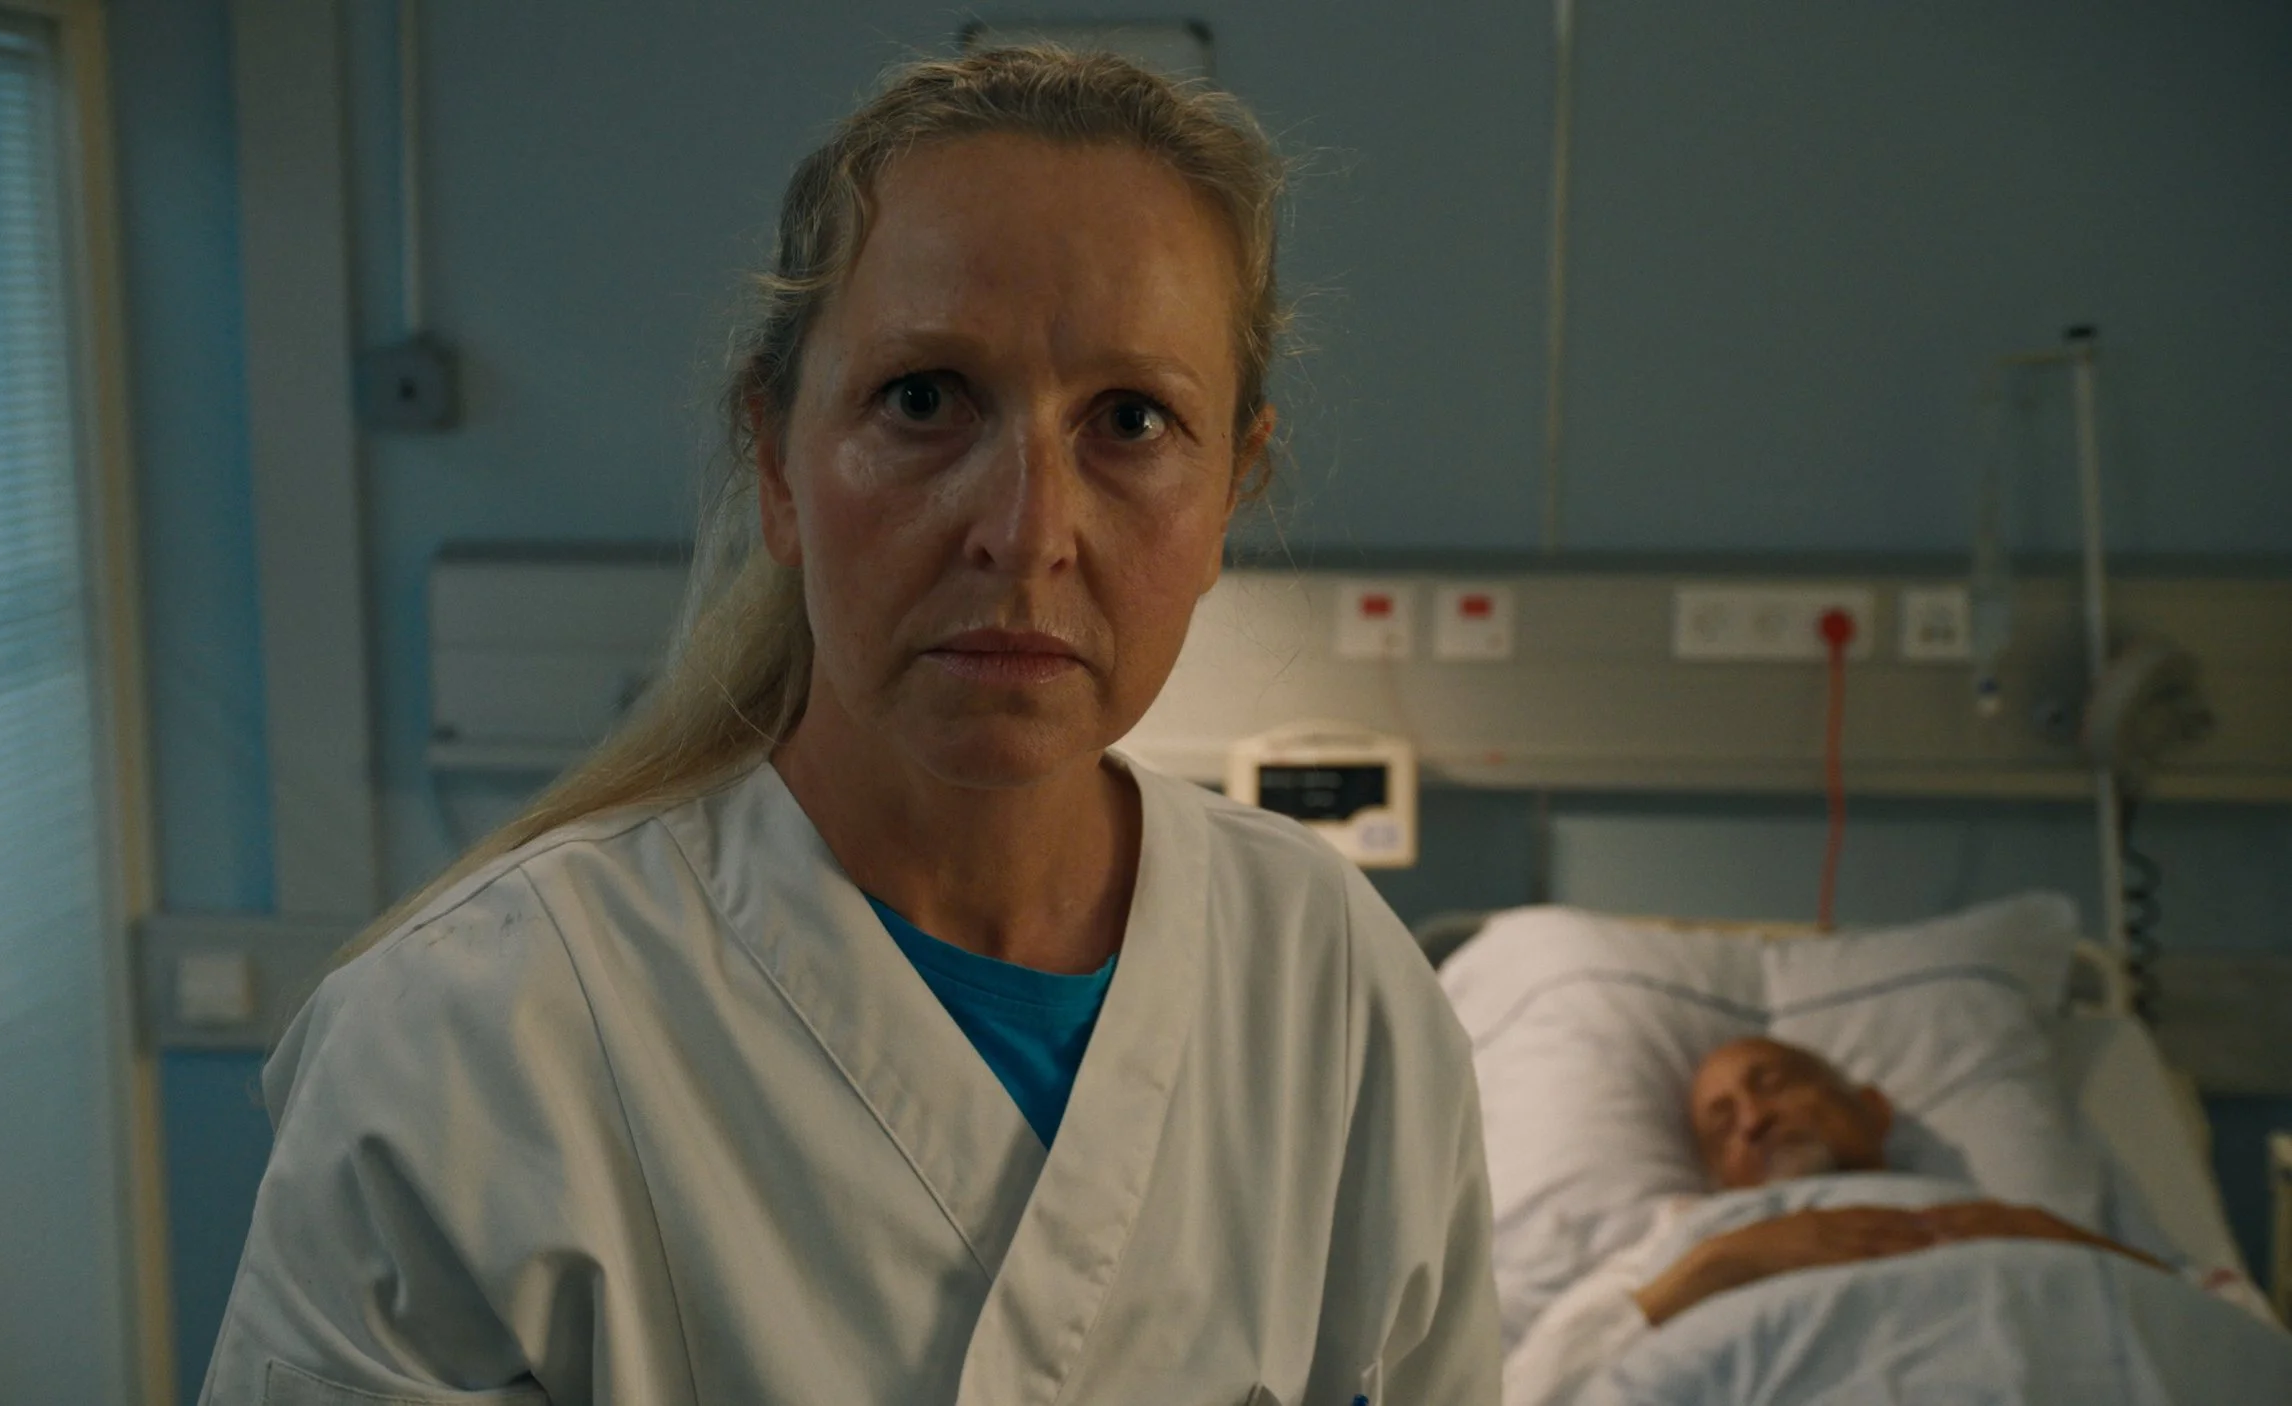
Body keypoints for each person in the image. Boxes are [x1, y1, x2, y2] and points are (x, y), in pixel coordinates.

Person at [199, 47, 1501, 1406]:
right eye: (925, 399)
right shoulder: (473, 1037)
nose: (1026, 531)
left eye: (1130, 420)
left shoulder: (1333, 982)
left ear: (1232, 487)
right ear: (777, 458)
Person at [1504, 1036, 2265, 1405]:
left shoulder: (2021, 1218)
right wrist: (1719, 1267)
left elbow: (2239, 1333)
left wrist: (2079, 1252)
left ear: (1871, 1108)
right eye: (1719, 1125)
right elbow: (1530, 1390)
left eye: (1774, 1085)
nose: (1754, 1122)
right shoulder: (1683, 1240)